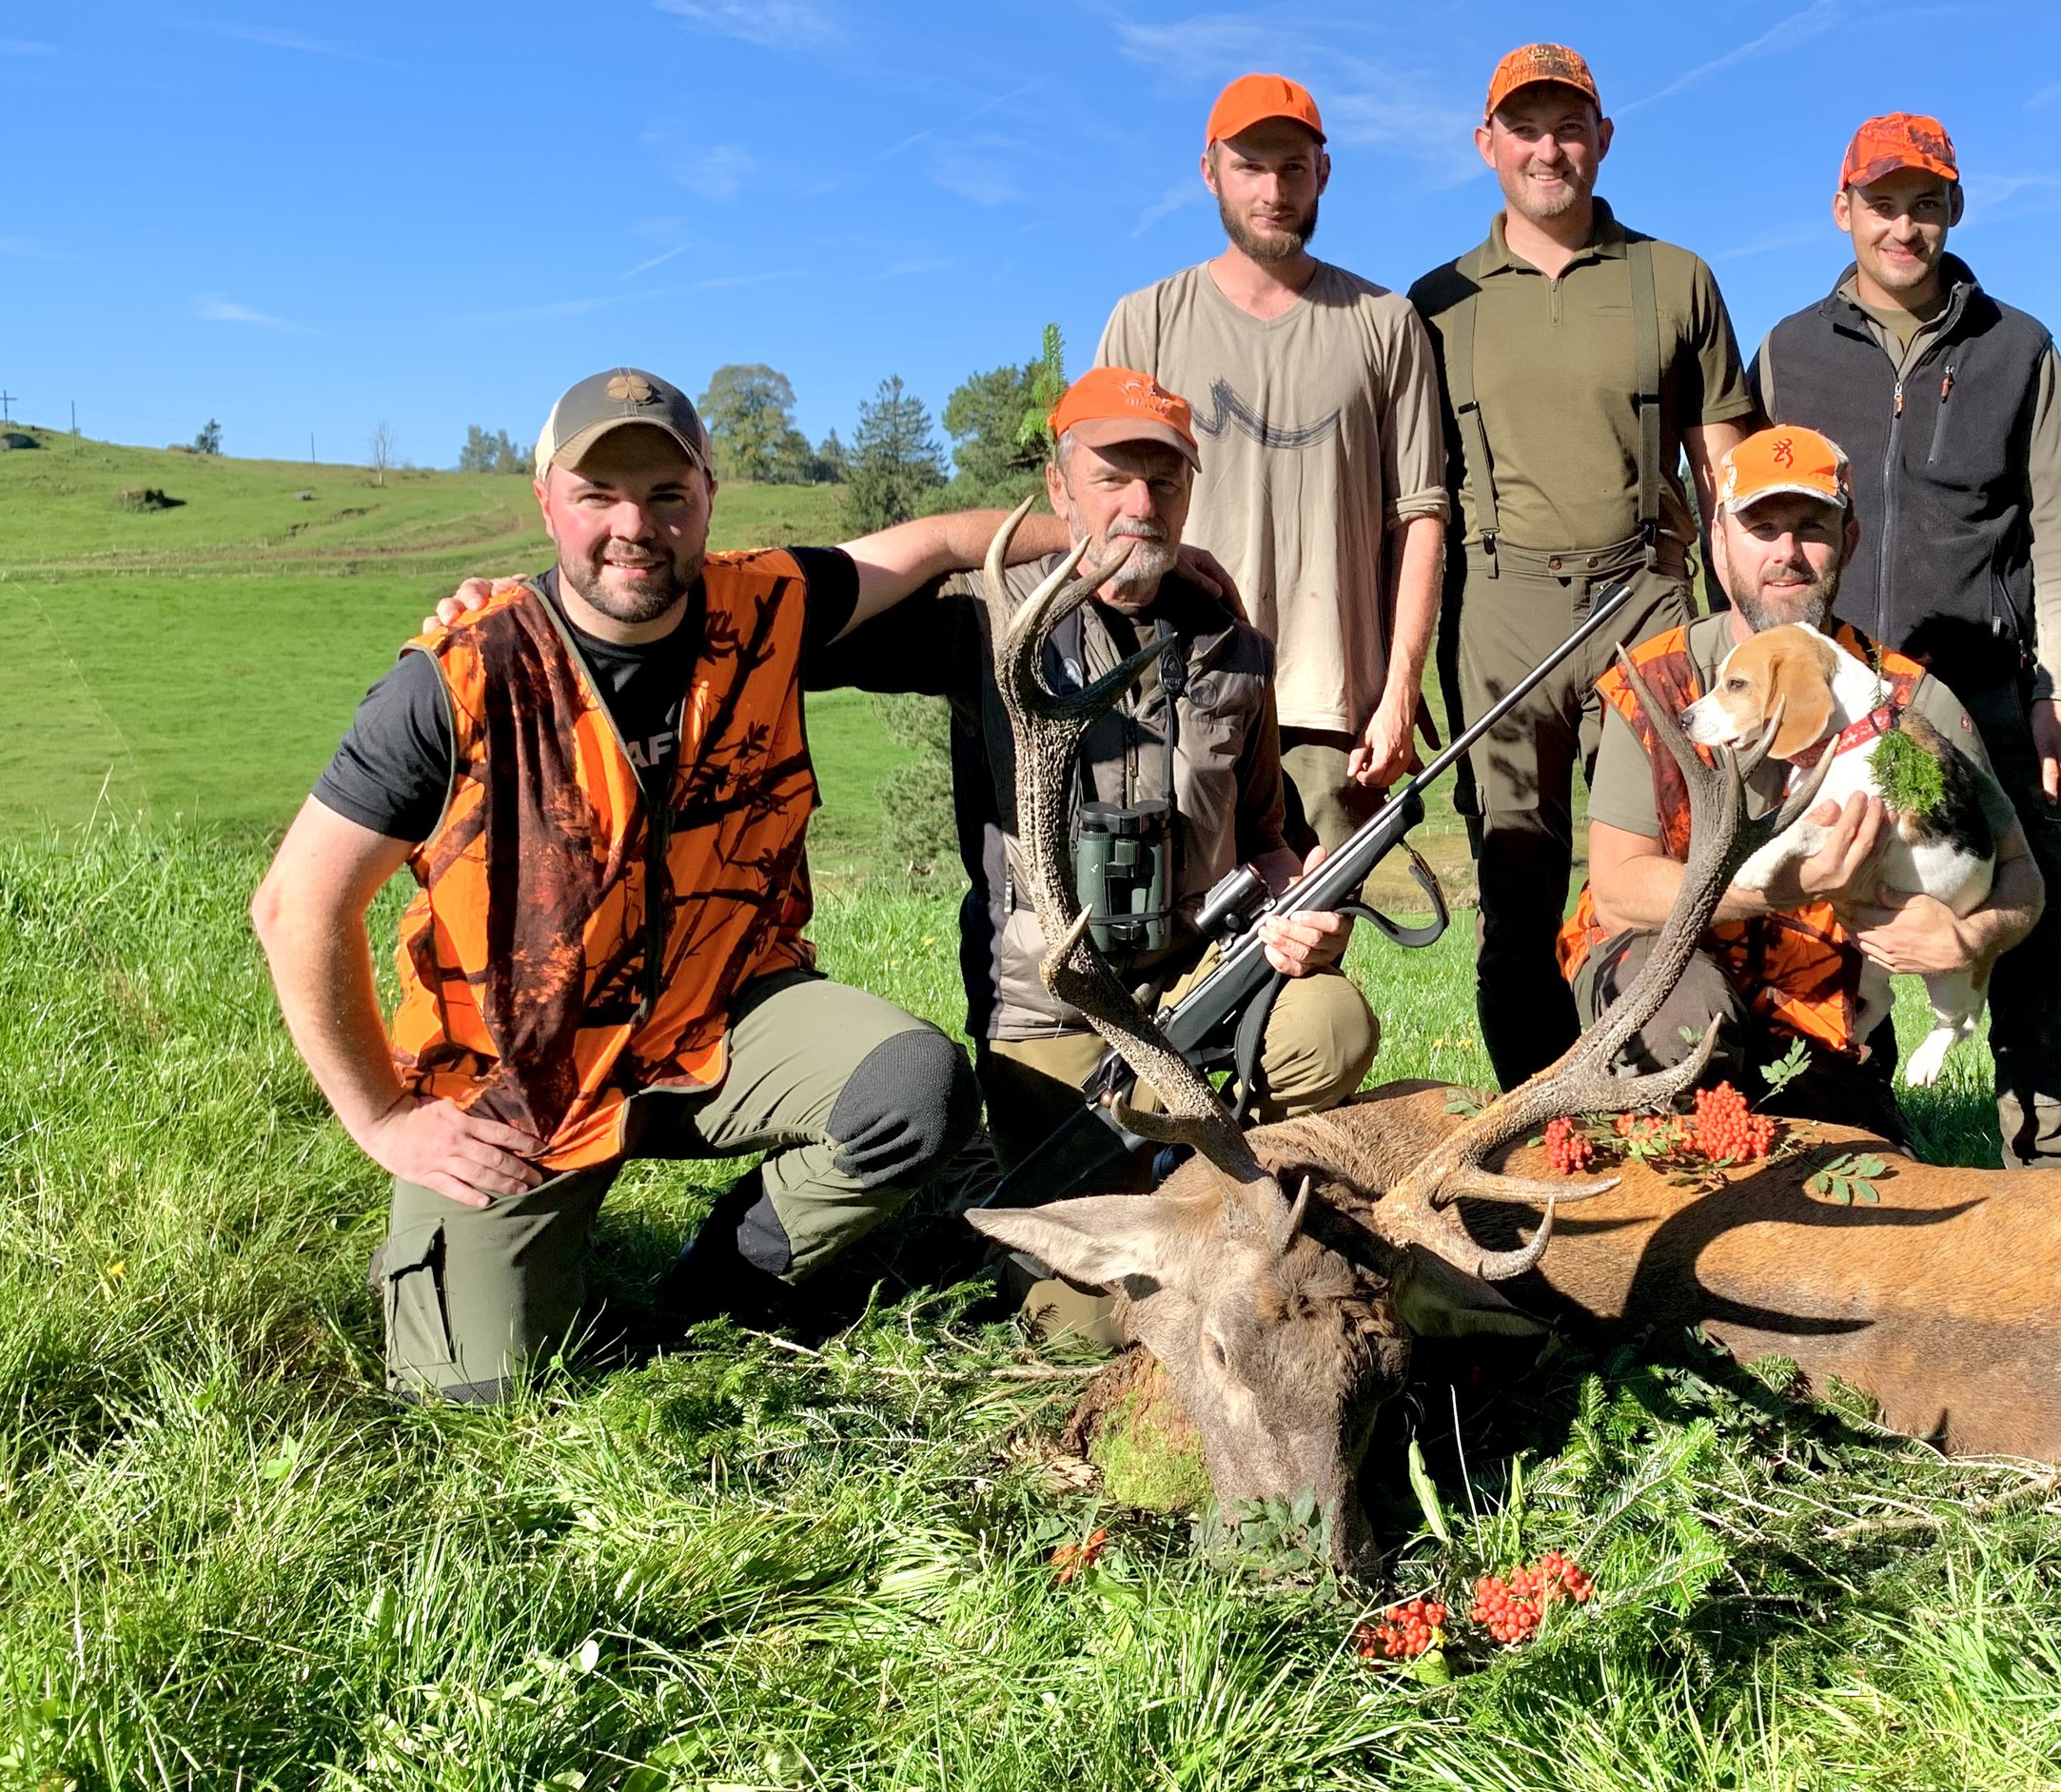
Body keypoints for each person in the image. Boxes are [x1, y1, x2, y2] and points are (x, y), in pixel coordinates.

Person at [250, 367, 1044, 1402]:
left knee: (914, 1089)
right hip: (519, 1078)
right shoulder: (461, 675)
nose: (635, 527)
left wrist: (1118, 533)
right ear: (547, 502)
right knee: (479, 1398)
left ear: (709, 495)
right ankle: (466, 1265)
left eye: (667, 495)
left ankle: (719, 1289)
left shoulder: (769, 604)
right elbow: (297, 906)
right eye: (599, 496)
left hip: (716, 1015)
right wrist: (383, 1119)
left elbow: (935, 543)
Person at [809, 365, 1378, 1178]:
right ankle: (1162, 1164)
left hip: (1195, 979)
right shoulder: (984, 612)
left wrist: (1300, 907)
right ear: (1059, 487)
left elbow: (1264, 835)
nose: (1142, 504)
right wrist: (1063, 541)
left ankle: (1227, 1173)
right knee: (1076, 1252)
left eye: (1164, 482)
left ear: (1188, 493)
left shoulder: (1234, 647)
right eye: (1111, 479)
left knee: (1331, 1027)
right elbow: (812, 613)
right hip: (1048, 1008)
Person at [1750, 112, 2061, 1164]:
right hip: (1845, 701)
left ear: (1953, 210)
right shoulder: (1787, 352)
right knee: (1835, 905)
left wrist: (2059, 687)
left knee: (2032, 910)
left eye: (1925, 205)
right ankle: (1852, 1136)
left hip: (1982, 690)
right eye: (1882, 204)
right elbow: (1749, 522)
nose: (1902, 227)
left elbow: (2060, 524)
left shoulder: (2017, 347)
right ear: (1842, 209)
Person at [1408, 43, 1758, 1089]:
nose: (1547, 149)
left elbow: (1726, 479)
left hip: (1645, 602)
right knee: (1514, 881)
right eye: (1525, 128)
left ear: (1603, 140)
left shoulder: (1674, 278)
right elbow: (1411, 503)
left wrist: (1747, 632)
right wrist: (1399, 667)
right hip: (1497, 608)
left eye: (1569, 128)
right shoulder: (1434, 302)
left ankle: (1653, 1091)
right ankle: (1535, 1114)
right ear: (1486, 145)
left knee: (1656, 867)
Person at [1560, 427, 2044, 1133]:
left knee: (1858, 1174)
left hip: (1823, 1006)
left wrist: (1972, 939)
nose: (1786, 552)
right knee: (1682, 1027)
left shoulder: (1910, 703)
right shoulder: (1659, 685)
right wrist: (1774, 888)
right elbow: (1618, 892)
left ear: (1848, 543)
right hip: (1662, 966)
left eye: (1812, 528)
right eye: (1761, 528)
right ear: (1718, 542)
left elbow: (2023, 875)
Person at [1092, 72, 1448, 857]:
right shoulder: (1146, 323)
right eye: (1249, 167)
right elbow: (1100, 509)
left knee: (1318, 927)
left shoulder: (1386, 324)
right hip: (1179, 688)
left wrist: (1399, 690)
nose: (1273, 191)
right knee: (1174, 920)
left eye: (1292, 168)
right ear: (1209, 171)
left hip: (1332, 711)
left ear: (1323, 173)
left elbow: (1420, 518)